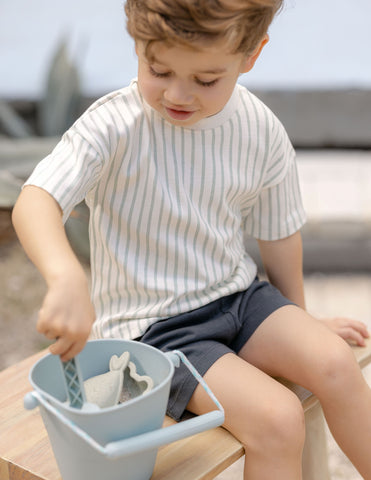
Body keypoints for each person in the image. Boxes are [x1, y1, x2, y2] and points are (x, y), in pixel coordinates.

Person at [12, 1, 371, 478]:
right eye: (158, 69)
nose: (178, 95)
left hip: (239, 299)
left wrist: (300, 321)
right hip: (156, 332)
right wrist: (65, 278)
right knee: (278, 417)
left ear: (251, 55)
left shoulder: (259, 129)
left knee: (335, 363)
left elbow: (279, 235)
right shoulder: (111, 126)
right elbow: (35, 200)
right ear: (137, 43)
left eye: (206, 80)